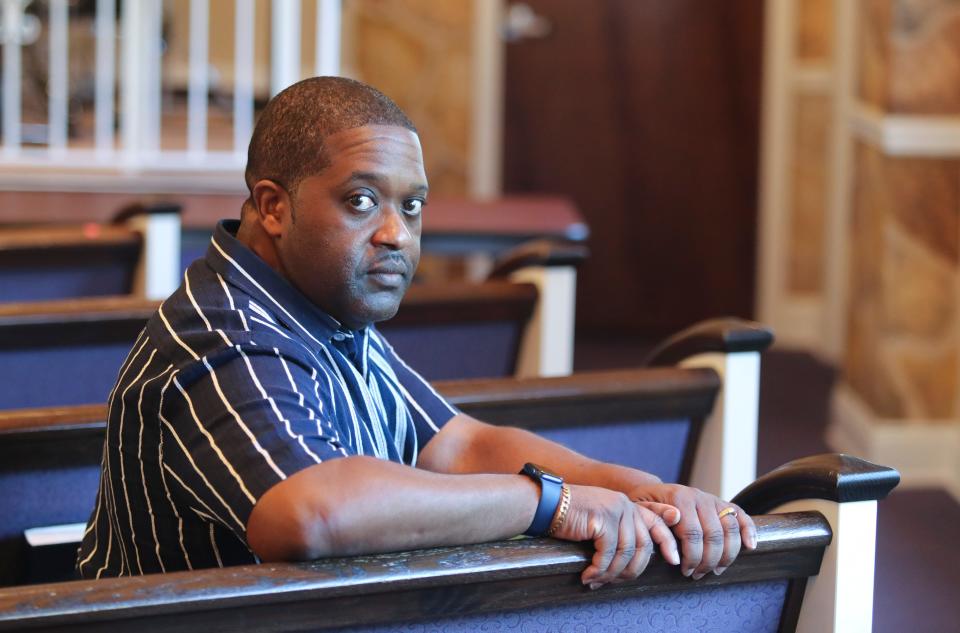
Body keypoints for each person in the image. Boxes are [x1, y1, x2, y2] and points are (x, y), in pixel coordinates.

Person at [77, 77, 756, 588]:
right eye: (362, 201)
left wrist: (633, 487)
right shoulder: (225, 330)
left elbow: (458, 443)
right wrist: (550, 502)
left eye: (412, 205)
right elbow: (311, 514)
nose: (396, 233)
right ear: (273, 206)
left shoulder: (323, 309)